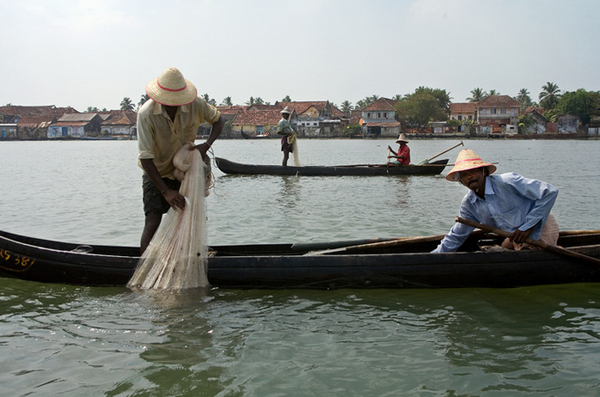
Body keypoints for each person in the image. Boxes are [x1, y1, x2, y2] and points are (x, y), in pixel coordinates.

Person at [137, 67, 224, 254]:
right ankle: (143, 267)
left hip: (183, 172)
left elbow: (219, 121)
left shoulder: (196, 105)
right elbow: (145, 158)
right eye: (169, 102)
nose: (173, 105)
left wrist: (206, 145)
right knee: (152, 220)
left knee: (184, 218)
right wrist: (166, 191)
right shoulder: (146, 114)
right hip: (156, 173)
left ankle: (182, 257)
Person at [432, 149, 559, 253]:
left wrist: (528, 227)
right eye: (464, 175)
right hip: (515, 235)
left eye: (474, 171)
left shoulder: (508, 182)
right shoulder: (470, 205)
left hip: (540, 225)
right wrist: (434, 257)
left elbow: (550, 192)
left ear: (484, 172)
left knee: (528, 254)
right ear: (461, 181)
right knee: (500, 251)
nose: (470, 176)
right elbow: (457, 236)